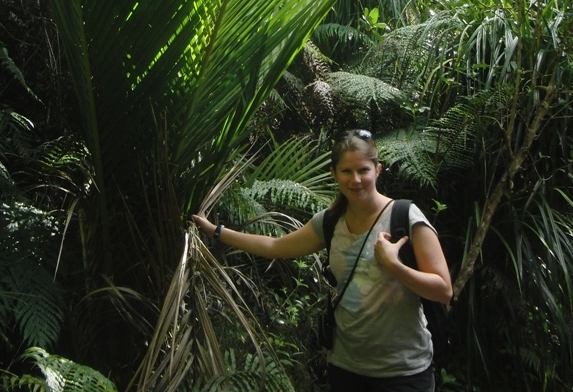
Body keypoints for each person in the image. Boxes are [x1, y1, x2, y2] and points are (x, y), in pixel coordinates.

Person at [192, 129, 453, 392]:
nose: (356, 179)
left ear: (377, 170)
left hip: (403, 372)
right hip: (346, 368)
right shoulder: (328, 223)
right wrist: (217, 231)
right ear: (334, 173)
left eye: (363, 170)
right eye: (346, 172)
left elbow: (443, 290)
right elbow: (274, 246)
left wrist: (395, 265)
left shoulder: (404, 217)